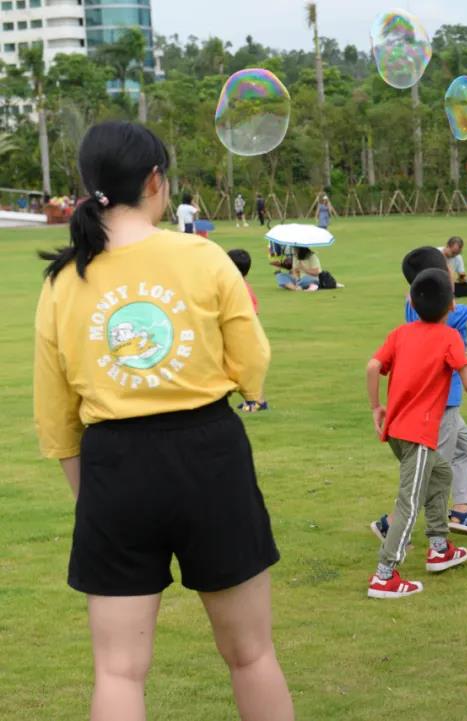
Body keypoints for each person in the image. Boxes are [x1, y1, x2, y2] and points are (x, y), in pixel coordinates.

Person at [33, 121, 292, 719]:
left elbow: (55, 414)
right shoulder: (202, 256)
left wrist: (92, 495)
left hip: (114, 466)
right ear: (155, 181)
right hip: (210, 455)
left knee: (118, 671)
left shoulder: (64, 280)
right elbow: (251, 362)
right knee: (251, 654)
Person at [371, 242, 467, 541]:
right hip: (442, 402)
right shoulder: (449, 314)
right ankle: (395, 526)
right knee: (429, 473)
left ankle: (460, 509)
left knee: (466, 449)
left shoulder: (413, 303)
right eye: (446, 269)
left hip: (426, 398)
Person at [365, 268, 467, 598]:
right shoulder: (450, 337)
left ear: (413, 305)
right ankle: (384, 576)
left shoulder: (400, 333)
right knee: (409, 501)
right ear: (452, 305)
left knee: (441, 474)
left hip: (397, 432)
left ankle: (439, 547)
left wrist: (376, 407)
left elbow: (373, 366)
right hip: (418, 435)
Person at [227, 249, 270, 412]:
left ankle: (256, 402)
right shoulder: (241, 286)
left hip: (244, 335)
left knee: (249, 370)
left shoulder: (240, 289)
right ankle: (254, 401)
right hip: (245, 334)